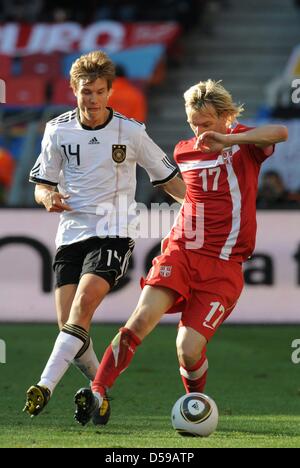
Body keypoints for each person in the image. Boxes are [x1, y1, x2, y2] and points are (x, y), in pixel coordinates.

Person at [73, 79, 288, 426]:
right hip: (182, 250)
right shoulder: (183, 151)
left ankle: (194, 402)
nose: (199, 130)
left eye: (206, 123)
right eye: (193, 122)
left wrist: (230, 139)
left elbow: (281, 132)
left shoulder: (244, 144)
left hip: (223, 265)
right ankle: (97, 393)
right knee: (139, 321)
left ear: (225, 117)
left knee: (188, 350)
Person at [22, 50, 186, 422]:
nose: (92, 99)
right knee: (72, 329)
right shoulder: (57, 129)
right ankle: (100, 394)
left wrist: (200, 207)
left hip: (114, 230)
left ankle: (44, 386)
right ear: (73, 90)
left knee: (82, 307)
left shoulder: (130, 130)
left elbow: (167, 178)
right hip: (71, 233)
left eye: (98, 92)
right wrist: (48, 196)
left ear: (109, 91)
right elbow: (41, 184)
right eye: (85, 92)